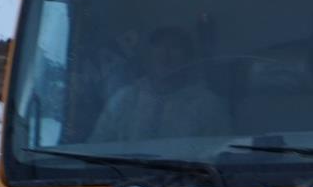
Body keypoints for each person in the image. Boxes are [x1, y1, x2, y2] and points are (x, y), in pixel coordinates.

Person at [88, 26, 229, 141]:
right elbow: (96, 148)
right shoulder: (124, 99)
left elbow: (220, 156)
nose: (165, 55)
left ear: (188, 58)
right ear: (148, 56)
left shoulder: (207, 105)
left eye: (175, 47)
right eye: (159, 47)